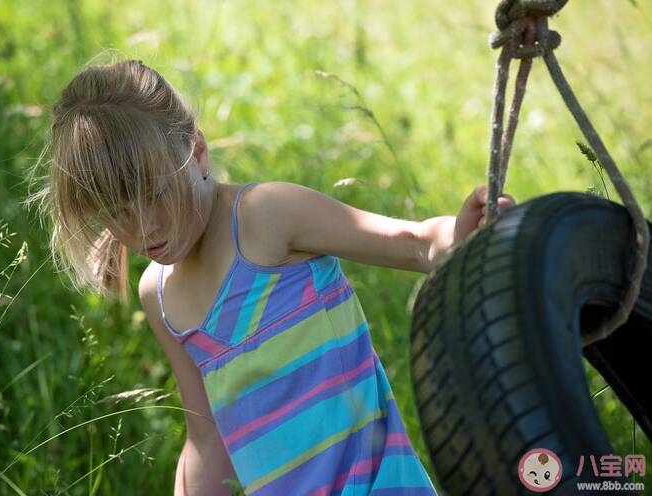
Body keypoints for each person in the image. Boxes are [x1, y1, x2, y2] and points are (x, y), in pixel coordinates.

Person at [27, 58, 516, 495]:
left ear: (196, 152)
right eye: (117, 212)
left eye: (155, 194)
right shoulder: (159, 294)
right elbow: (206, 438)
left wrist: (459, 236)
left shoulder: (266, 217)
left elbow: (411, 244)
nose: (144, 227)